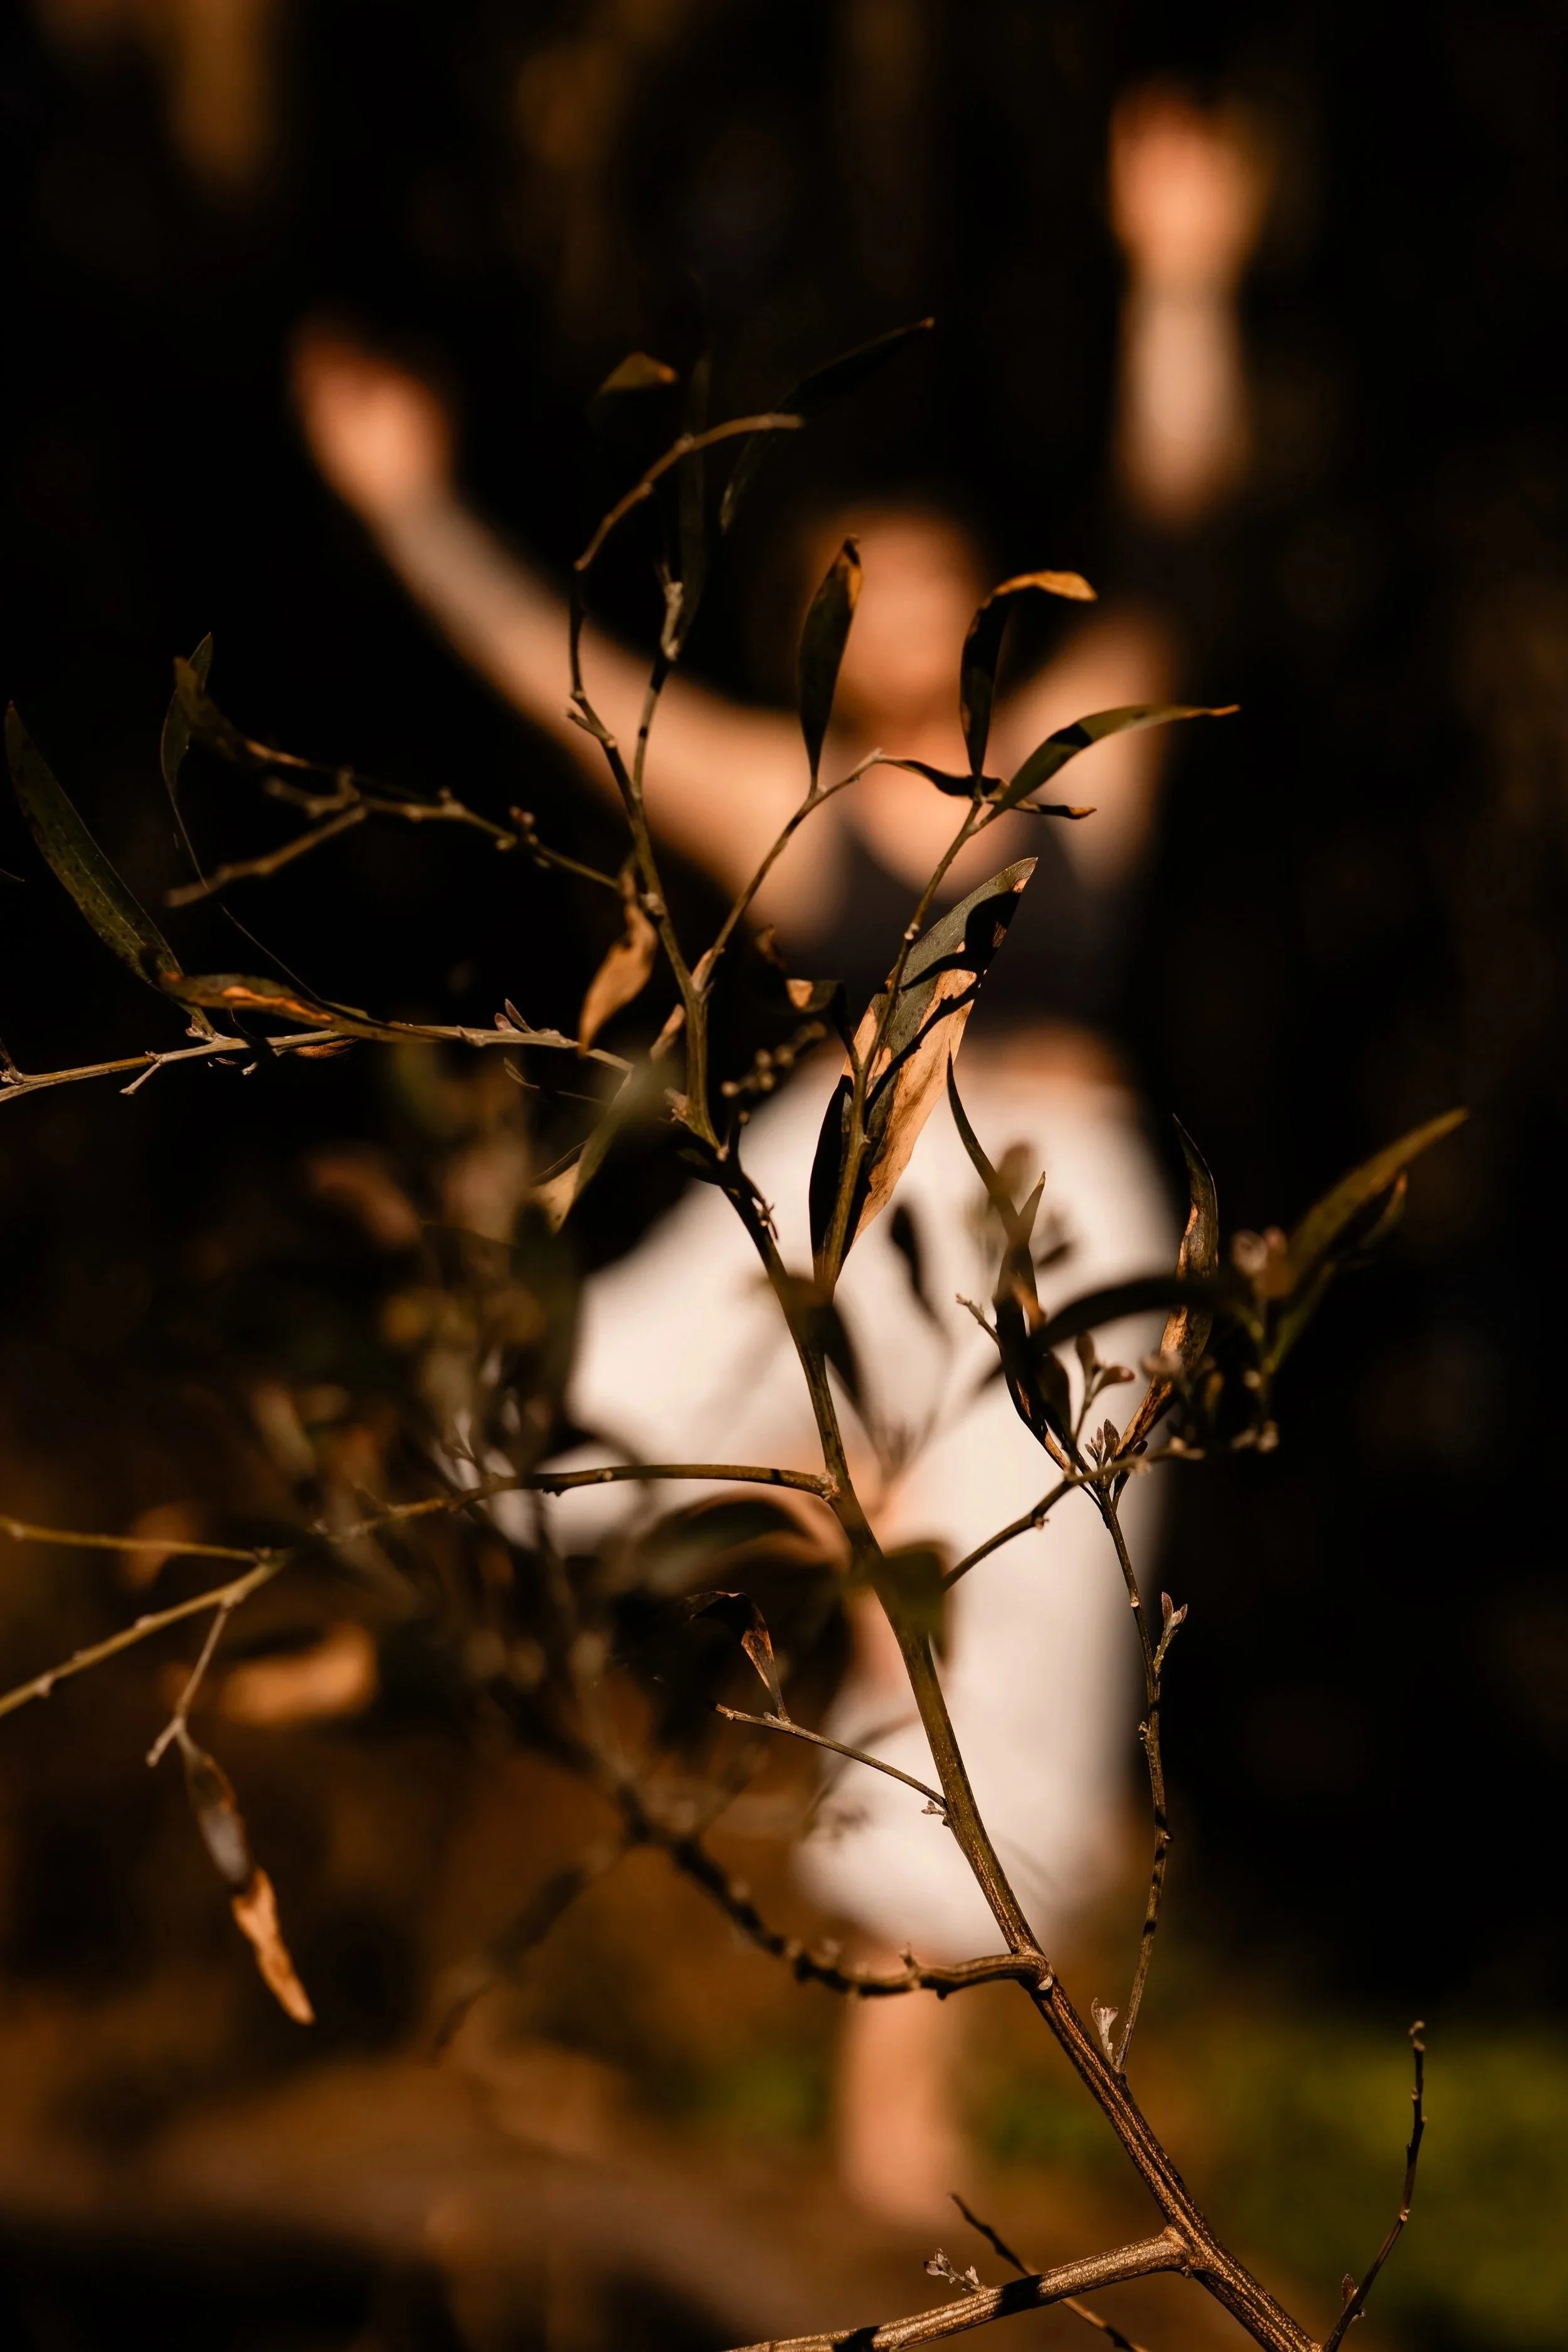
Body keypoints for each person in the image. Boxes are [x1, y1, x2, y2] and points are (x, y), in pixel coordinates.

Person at [293, 85, 1266, 2223]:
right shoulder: (786, 794)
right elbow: (559, 684)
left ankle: (897, 2148)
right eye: (870, 586)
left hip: (1068, 1220)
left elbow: (1186, 536)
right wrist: (404, 506)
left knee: (1017, 1642)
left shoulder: (1071, 753)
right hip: (861, 1179)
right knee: (583, 1404)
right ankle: (645, 1543)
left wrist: (1182, 281)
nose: (909, 611)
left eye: (935, 580)